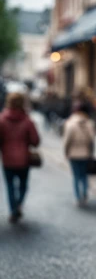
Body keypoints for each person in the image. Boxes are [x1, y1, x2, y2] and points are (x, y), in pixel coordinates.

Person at [0, 92, 40, 222]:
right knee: (23, 185)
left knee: (10, 186)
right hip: (23, 159)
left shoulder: (2, 120)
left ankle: (13, 210)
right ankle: (18, 205)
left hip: (7, 159)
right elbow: (35, 141)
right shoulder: (27, 120)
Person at [64, 102, 95, 206]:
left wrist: (66, 152)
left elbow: (67, 140)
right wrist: (91, 151)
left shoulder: (70, 123)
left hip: (73, 153)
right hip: (85, 152)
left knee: (76, 176)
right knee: (84, 175)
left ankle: (78, 197)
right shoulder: (89, 123)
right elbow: (92, 139)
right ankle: (85, 193)